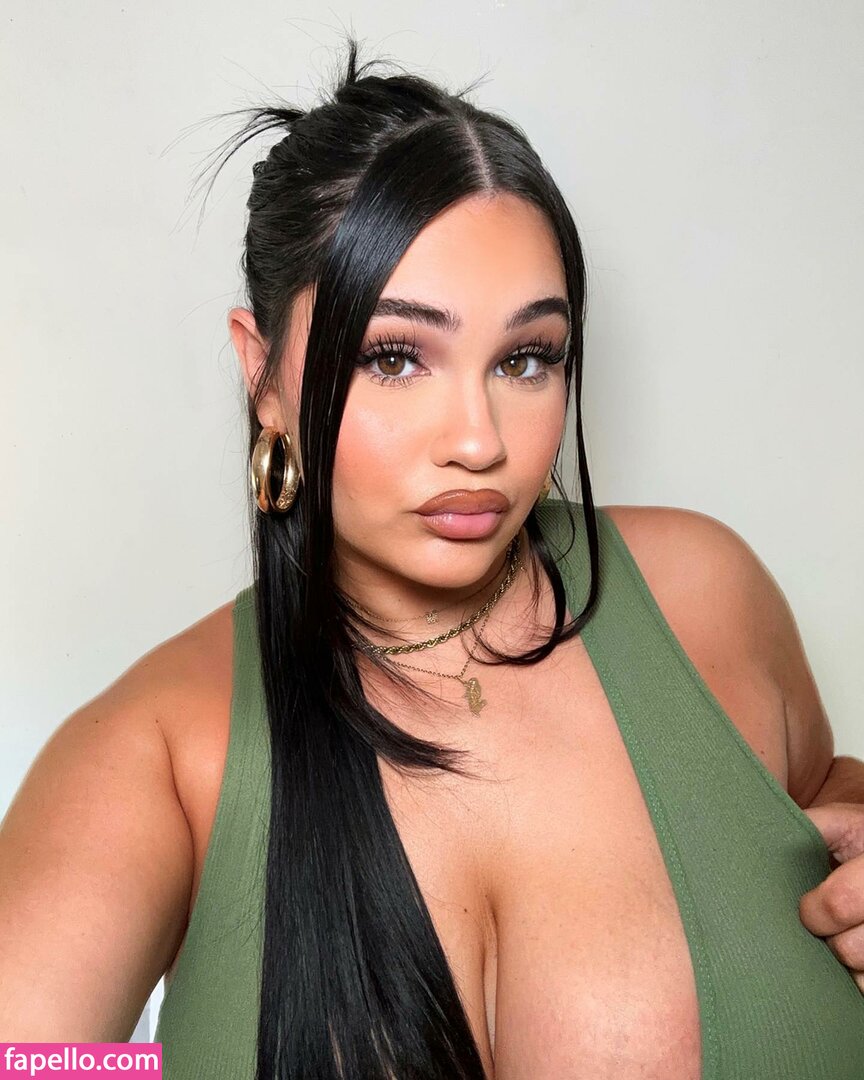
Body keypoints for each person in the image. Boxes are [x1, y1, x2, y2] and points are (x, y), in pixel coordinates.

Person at [2, 35, 863, 1080]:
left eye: (525, 358)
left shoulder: (703, 596)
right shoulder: (153, 753)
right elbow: (29, 1058)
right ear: (264, 374)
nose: (479, 441)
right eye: (396, 356)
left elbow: (818, 801)